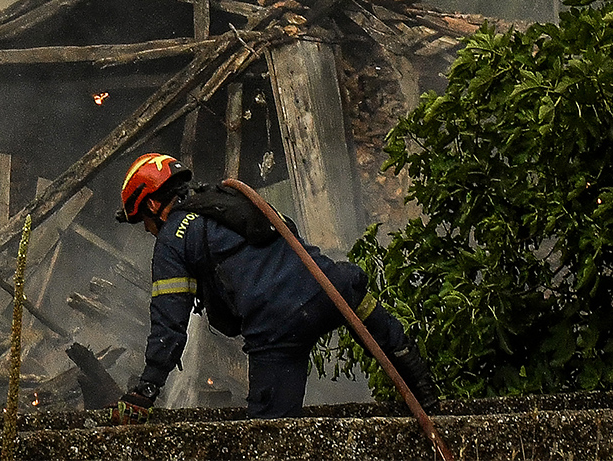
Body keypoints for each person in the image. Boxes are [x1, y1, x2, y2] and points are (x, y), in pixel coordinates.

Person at [109, 152, 440, 424]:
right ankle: (426, 393)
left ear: (151, 206)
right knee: (359, 299)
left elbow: (170, 322)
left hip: (277, 329)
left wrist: (146, 390)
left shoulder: (171, 240)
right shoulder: (230, 200)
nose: (148, 231)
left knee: (269, 437)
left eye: (143, 223)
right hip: (326, 289)